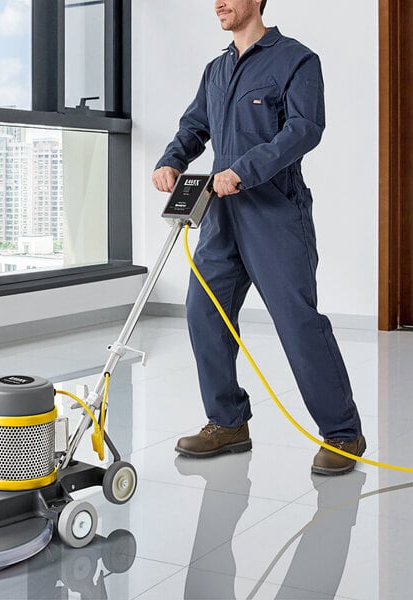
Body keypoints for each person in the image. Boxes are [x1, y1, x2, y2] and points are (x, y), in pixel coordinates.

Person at [152, 0, 366, 476]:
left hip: (275, 214)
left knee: (296, 320)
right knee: (203, 312)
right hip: (220, 217)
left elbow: (304, 130)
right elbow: (195, 126)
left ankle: (343, 432)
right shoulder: (217, 68)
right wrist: (172, 160)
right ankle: (227, 422)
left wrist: (243, 172)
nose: (218, 4)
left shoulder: (296, 59)